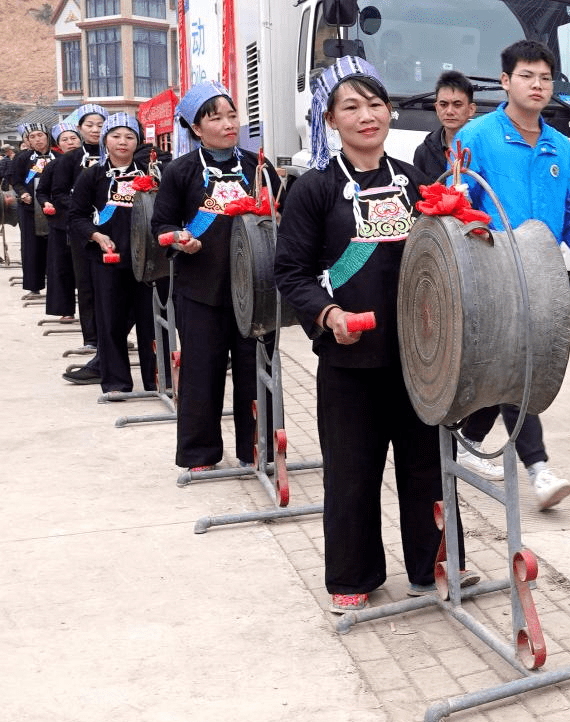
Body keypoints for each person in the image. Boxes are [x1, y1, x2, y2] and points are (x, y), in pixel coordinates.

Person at [274, 57, 474, 614]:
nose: (368, 116)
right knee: (353, 471)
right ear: (330, 120)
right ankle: (353, 573)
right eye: (351, 107)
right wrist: (327, 314)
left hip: (415, 356)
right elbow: (289, 271)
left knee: (425, 466)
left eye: (376, 104)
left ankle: (434, 563)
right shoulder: (313, 190)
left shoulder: (412, 182)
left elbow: (437, 258)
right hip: (349, 360)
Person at [454, 39, 570, 509]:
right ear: (505, 82)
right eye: (527, 76)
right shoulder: (477, 137)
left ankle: (465, 437)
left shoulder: (560, 146)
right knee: (521, 365)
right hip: (494, 275)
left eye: (545, 77)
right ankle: (538, 468)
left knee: (513, 365)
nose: (538, 85)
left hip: (543, 278)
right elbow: (458, 203)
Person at [151, 82, 279, 472]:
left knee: (255, 370)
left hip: (255, 289)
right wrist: (180, 239)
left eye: (232, 114)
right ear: (195, 128)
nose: (228, 124)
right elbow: (161, 225)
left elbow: (280, 218)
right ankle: (199, 453)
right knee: (201, 374)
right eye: (216, 117)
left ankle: (258, 448)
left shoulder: (259, 167)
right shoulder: (181, 171)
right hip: (201, 289)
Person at [67, 113, 159, 397]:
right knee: (111, 322)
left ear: (137, 142)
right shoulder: (92, 176)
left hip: (147, 261)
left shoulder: (150, 173)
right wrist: (96, 235)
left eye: (129, 137)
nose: (123, 142)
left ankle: (157, 380)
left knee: (150, 323)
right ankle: (117, 383)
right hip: (107, 260)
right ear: (105, 140)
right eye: (116, 136)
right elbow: (76, 216)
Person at [54, 104, 110, 384]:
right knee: (86, 283)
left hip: (113, 229)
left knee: (111, 284)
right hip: (82, 229)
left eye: (101, 124)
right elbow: (59, 192)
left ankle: (113, 336)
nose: (95, 129)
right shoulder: (70, 159)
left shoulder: (116, 155)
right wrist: (82, 208)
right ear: (79, 128)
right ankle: (93, 337)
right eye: (90, 125)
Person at [38, 122, 82, 323]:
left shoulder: (92, 161)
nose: (70, 142)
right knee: (61, 266)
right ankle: (65, 309)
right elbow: (42, 191)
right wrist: (46, 202)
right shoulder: (53, 165)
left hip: (87, 223)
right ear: (58, 144)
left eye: (73, 138)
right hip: (60, 222)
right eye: (65, 139)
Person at [11, 122, 56, 300]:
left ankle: (56, 287)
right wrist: (22, 193)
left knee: (54, 247)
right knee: (31, 247)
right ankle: (34, 286)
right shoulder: (23, 158)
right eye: (32, 137)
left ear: (47, 136)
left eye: (40, 135)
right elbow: (16, 181)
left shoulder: (59, 158)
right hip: (29, 208)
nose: (37, 139)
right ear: (28, 141)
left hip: (53, 209)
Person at [412, 70, 477, 182]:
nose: (449, 111)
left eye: (457, 105)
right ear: (436, 108)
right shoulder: (424, 152)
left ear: (471, 109)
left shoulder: (484, 146)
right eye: (443, 105)